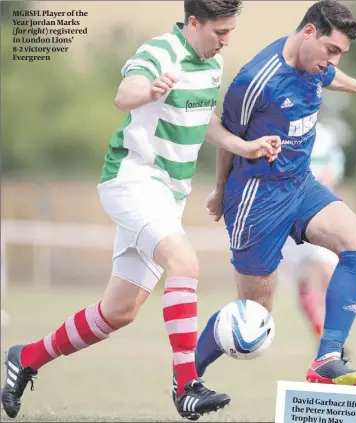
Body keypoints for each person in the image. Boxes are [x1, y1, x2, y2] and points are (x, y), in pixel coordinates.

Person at [1, 0, 281, 420]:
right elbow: (124, 93)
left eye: (230, 33)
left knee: (119, 311)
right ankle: (186, 385)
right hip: (132, 179)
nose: (225, 42)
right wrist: (148, 90)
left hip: (168, 194)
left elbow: (201, 117)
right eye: (219, 33)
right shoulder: (159, 52)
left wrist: (243, 147)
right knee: (184, 263)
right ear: (193, 22)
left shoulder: (211, 65)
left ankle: (25, 357)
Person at [191, 0, 356, 391]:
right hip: (255, 200)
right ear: (309, 32)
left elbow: (326, 76)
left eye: (340, 56)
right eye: (331, 50)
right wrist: (219, 189)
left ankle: (327, 356)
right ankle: (187, 375)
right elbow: (227, 137)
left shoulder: (317, 65)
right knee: (253, 319)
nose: (332, 61)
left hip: (300, 184)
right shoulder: (254, 82)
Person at [280, 122, 346, 340]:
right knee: (305, 278)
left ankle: (334, 337)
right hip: (290, 214)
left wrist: (321, 190)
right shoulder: (280, 129)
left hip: (319, 210)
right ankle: (322, 334)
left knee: (330, 271)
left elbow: (336, 164)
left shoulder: (325, 134)